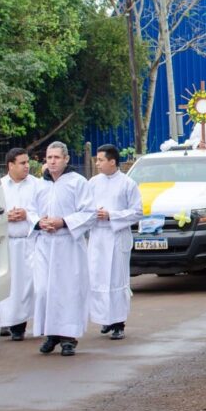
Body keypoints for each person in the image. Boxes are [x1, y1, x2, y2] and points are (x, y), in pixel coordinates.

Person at [34, 141, 96, 357]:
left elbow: (89, 212)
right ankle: (50, 333)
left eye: (56, 157)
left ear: (66, 159)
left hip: (68, 244)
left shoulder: (77, 183)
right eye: (49, 158)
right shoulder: (39, 185)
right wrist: (39, 222)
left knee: (67, 290)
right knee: (44, 290)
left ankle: (68, 337)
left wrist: (64, 221)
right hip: (44, 243)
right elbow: (30, 210)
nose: (52, 161)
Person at [87, 144, 143, 341]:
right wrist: (94, 214)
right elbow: (84, 207)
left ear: (112, 161)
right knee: (98, 278)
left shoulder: (127, 184)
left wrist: (112, 215)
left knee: (116, 279)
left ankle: (118, 322)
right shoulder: (93, 183)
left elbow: (137, 212)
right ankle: (105, 318)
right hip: (98, 237)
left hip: (117, 236)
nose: (97, 163)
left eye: (100, 160)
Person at [0, 148, 44, 343]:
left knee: (32, 285)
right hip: (8, 242)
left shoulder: (37, 185)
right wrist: (5, 216)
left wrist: (27, 215)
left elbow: (44, 210)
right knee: (12, 287)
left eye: (27, 163)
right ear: (10, 165)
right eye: (22, 163)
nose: (27, 166)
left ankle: (37, 323)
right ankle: (13, 324)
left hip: (30, 241)